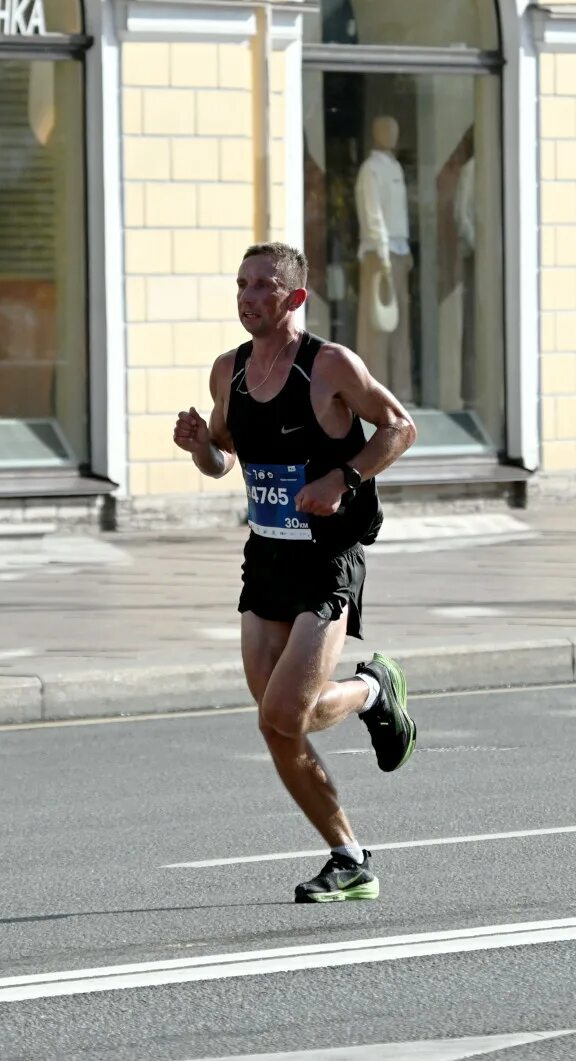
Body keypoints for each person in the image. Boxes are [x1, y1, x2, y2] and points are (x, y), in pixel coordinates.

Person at [173, 242, 420, 903]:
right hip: (267, 558)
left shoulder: (330, 365)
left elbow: (399, 427)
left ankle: (371, 692)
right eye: (242, 284)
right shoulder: (228, 370)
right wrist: (202, 448)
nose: (249, 296)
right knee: (280, 720)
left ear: (295, 297)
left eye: (264, 286)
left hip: (326, 558)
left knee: (283, 711)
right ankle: (348, 853)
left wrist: (343, 476)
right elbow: (225, 458)